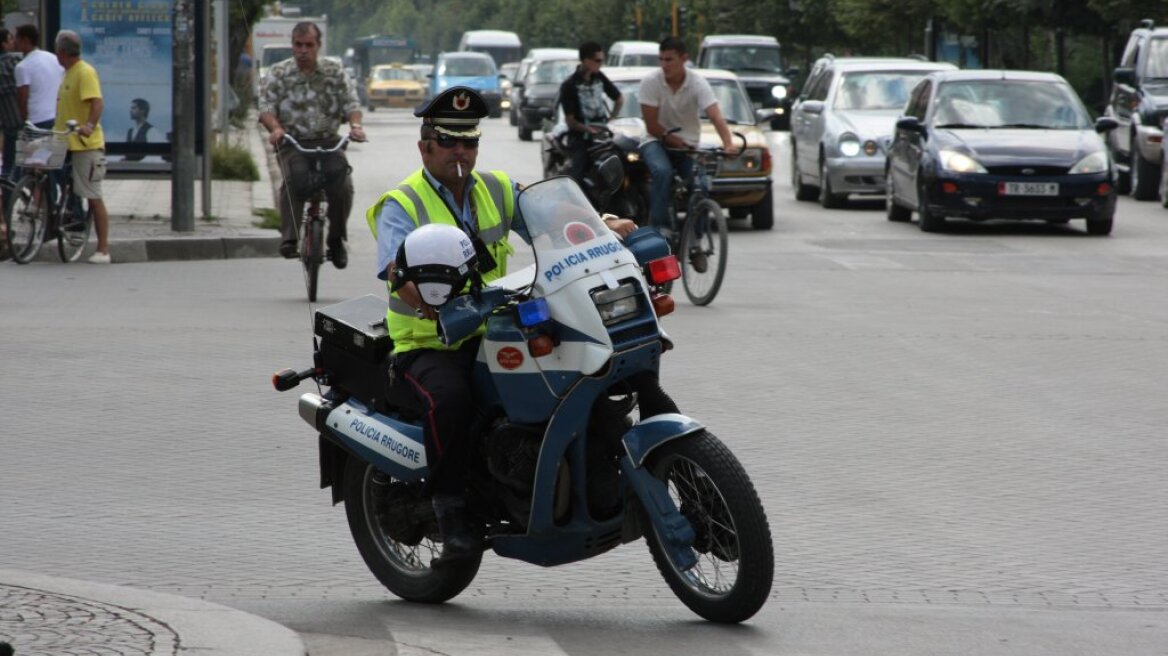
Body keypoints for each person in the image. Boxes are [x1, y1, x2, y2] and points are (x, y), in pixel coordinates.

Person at [365, 86, 636, 564]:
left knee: (572, 369)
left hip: (495, 330)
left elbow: (548, 215)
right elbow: (394, 269)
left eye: (469, 142)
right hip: (431, 343)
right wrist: (430, 302)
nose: (461, 152)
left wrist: (602, 223)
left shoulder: (493, 188)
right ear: (425, 145)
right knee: (453, 400)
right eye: (449, 142)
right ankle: (449, 511)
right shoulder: (402, 204)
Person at [258, 21, 364, 268]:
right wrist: (276, 129)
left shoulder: (334, 72)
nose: (303, 50)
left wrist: (356, 126)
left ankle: (336, 240)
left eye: (309, 45)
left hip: (327, 141)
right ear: (292, 45)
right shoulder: (279, 73)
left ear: (318, 45)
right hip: (292, 142)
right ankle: (290, 238)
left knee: (342, 184)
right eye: (298, 45)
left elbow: (351, 103)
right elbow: (265, 108)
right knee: (294, 178)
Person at [637, 37, 738, 237]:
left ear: (684, 58)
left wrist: (728, 144)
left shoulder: (697, 83)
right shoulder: (650, 82)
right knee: (662, 172)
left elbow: (715, 115)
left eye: (670, 59)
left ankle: (695, 240)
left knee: (700, 182)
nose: (664, 65)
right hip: (655, 140)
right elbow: (652, 125)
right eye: (661, 59)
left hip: (688, 145)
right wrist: (675, 141)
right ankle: (660, 229)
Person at [54, 30, 111, 265]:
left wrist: (89, 125)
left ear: (62, 52)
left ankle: (103, 249)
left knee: (93, 196)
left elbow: (97, 102)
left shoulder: (84, 72)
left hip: (85, 145)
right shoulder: (67, 73)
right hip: (64, 141)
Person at [557, 41, 623, 183]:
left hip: (602, 134)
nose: (600, 64)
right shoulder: (569, 85)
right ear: (586, 60)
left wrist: (611, 120)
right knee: (577, 175)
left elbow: (619, 98)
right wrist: (588, 130)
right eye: (597, 60)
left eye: (602, 61)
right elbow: (570, 120)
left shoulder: (599, 77)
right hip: (581, 137)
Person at [14, 24, 63, 130]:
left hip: (36, 120)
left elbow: (22, 98)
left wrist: (24, 120)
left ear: (25, 40)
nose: (15, 42)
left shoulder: (22, 67)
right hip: (56, 116)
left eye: (17, 38)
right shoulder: (53, 58)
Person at [0, 28, 23, 181]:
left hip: (7, 122)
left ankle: (7, 200)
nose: (13, 42)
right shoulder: (15, 61)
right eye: (10, 39)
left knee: (8, 165)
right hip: (21, 120)